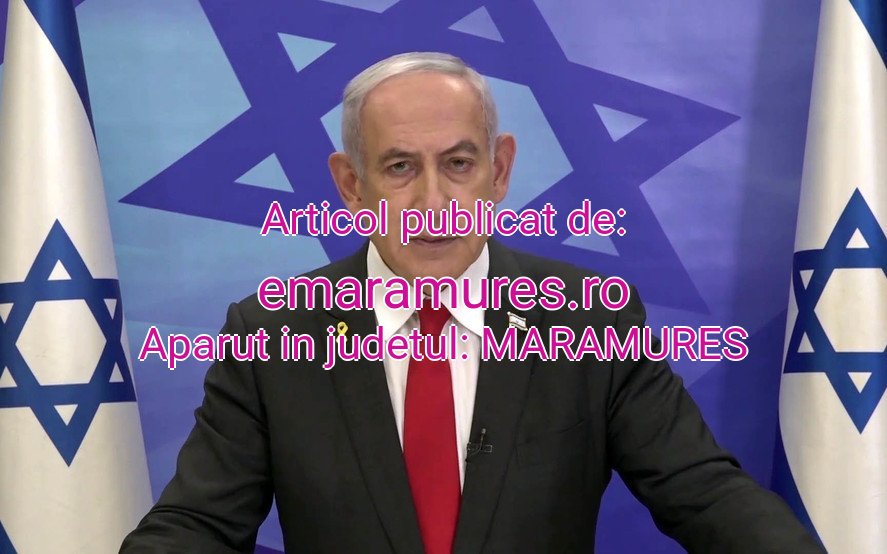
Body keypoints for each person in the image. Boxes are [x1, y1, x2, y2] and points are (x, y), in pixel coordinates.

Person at [120, 52, 821, 553]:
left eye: (458, 163)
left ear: (499, 170)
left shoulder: (589, 318)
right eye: (400, 167)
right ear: (352, 185)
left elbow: (702, 492)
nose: (434, 202)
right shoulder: (271, 333)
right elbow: (198, 525)